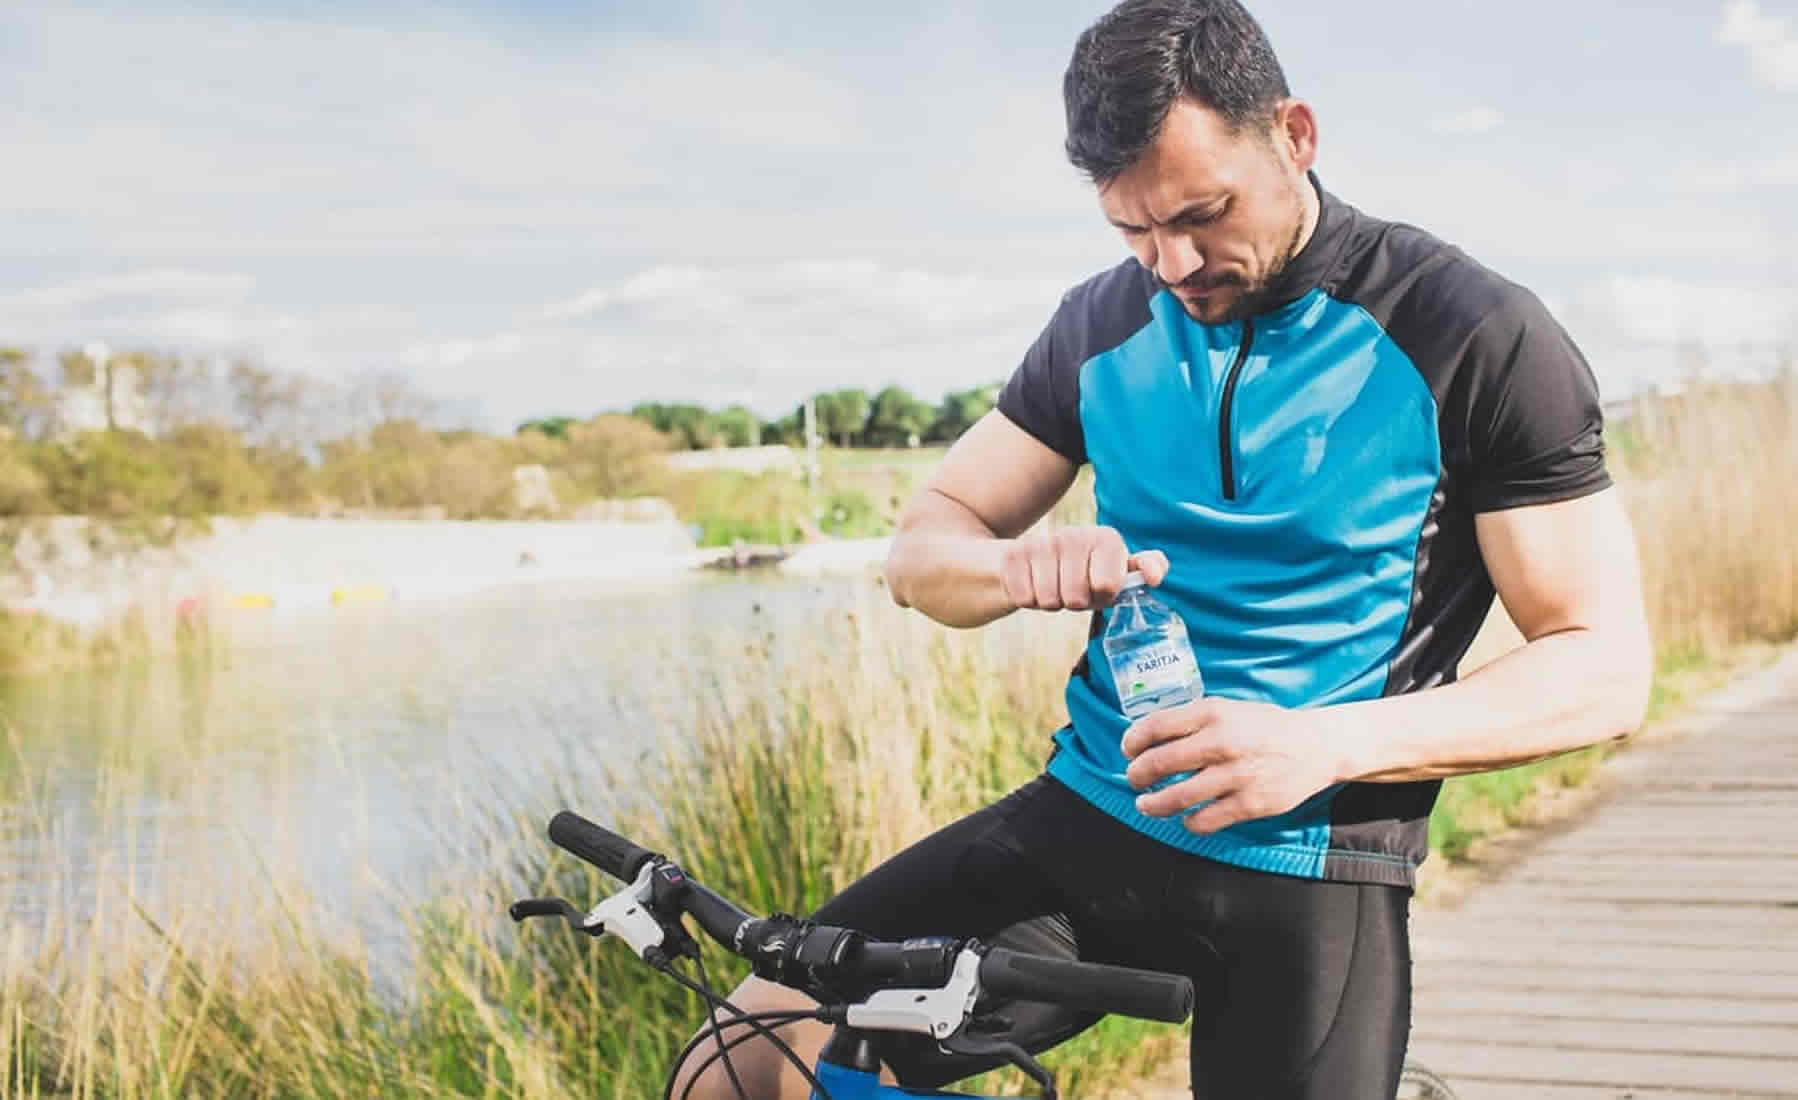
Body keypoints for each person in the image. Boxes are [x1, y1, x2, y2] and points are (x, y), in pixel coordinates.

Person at [673, 1, 1652, 1096]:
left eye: (1204, 212)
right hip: (1084, 820)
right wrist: (1009, 569)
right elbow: (920, 552)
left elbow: (1602, 667)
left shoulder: (1469, 331)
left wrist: (1320, 744)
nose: (1173, 260)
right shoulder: (1100, 325)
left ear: (1296, 135)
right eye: (1132, 229)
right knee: (745, 1052)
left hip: (1308, 863)